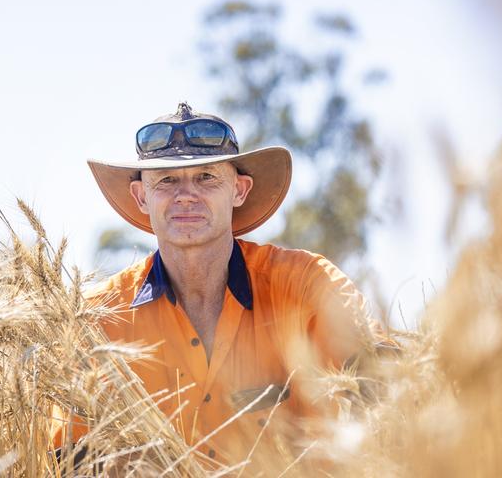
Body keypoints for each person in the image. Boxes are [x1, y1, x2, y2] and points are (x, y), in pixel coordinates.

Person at [52, 102, 378, 473]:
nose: (186, 195)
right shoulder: (98, 319)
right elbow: (72, 464)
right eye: (166, 180)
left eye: (206, 177)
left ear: (238, 190)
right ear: (142, 197)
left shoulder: (306, 285)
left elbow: (385, 390)